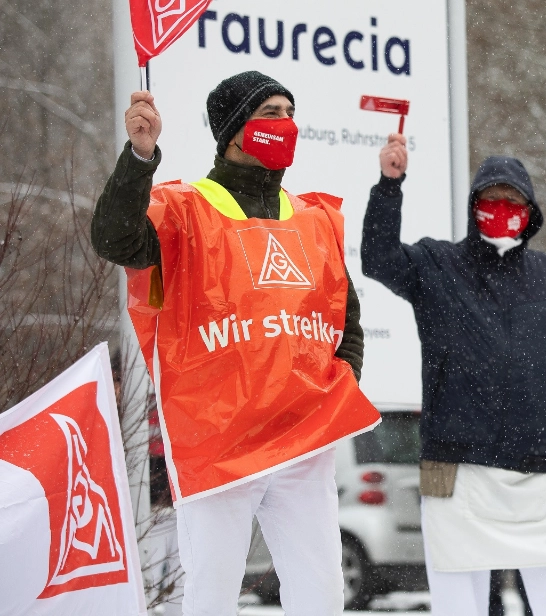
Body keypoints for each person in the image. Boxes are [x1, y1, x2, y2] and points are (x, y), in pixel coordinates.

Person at [92, 71, 378, 615]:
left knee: (321, 593)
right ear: (232, 128)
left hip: (302, 438)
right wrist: (139, 156)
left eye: (289, 112)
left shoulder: (314, 218)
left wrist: (342, 379)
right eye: (270, 112)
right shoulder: (183, 208)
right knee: (212, 595)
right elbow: (113, 238)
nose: (284, 124)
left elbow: (346, 316)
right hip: (218, 440)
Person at [362, 132, 546, 616]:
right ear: (474, 207)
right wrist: (390, 185)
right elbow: (378, 259)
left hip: (537, 463)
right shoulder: (437, 264)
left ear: (530, 212)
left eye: (513, 201)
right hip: (452, 465)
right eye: (491, 199)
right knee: (457, 604)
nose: (501, 208)